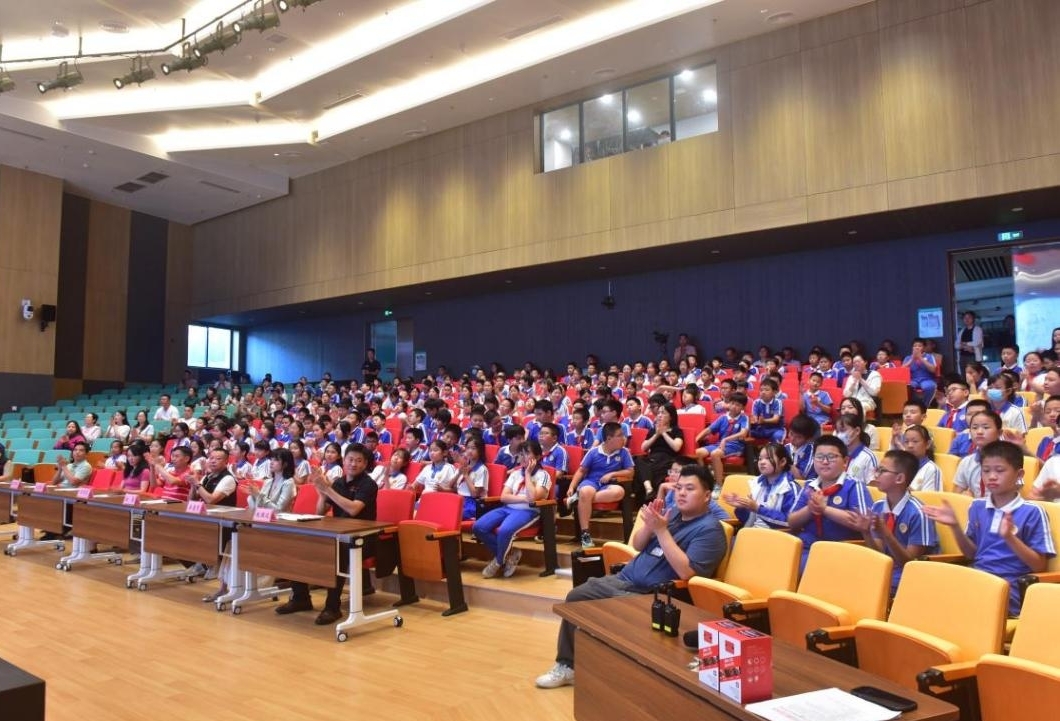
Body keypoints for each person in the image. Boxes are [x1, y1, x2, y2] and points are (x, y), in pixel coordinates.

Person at [535, 465, 727, 689]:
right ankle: (568, 666)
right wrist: (650, 526)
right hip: (625, 579)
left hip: (653, 594)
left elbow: (687, 572)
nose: (681, 493)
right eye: (678, 488)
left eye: (690, 488)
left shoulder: (710, 530)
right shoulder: (672, 515)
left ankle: (603, 669)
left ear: (707, 495)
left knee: (599, 606)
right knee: (577, 596)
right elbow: (637, 545)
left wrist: (661, 531)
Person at [924, 440, 1055, 616]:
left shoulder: (1033, 511)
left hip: (1009, 588)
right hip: (978, 578)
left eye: (999, 470)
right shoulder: (977, 506)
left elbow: (1039, 566)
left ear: (1019, 474)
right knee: (930, 595)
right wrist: (955, 526)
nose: (992, 476)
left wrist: (1010, 538)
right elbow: (972, 554)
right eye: (986, 470)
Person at [276, 443, 378, 625]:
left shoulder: (369, 484)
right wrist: (322, 493)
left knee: (337, 551)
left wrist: (327, 489)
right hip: (338, 534)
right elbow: (320, 512)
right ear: (344, 461)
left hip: (362, 538)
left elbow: (354, 509)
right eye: (350, 459)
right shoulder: (339, 483)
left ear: (365, 464)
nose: (353, 464)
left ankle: (332, 607)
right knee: (299, 544)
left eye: (358, 461)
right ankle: (300, 598)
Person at [852, 450, 938, 595]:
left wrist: (886, 534)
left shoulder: (919, 512)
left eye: (882, 471)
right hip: (883, 569)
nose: (876, 475)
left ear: (899, 478)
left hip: (909, 576)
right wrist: (866, 532)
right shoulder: (878, 506)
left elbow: (910, 563)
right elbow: (879, 553)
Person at [787, 435, 872, 572]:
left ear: (845, 462)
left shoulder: (854, 486)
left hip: (840, 549)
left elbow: (862, 523)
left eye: (831, 457)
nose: (825, 462)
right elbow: (791, 521)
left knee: (793, 567)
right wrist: (810, 509)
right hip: (808, 545)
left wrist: (824, 509)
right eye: (819, 457)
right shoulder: (810, 485)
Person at [473, 440, 552, 579]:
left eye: (527, 453)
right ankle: (510, 554)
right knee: (478, 527)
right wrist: (523, 498)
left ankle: (498, 562)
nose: (523, 457)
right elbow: (504, 497)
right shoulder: (515, 474)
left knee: (505, 530)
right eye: (521, 454)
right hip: (508, 508)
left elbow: (533, 498)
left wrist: (527, 474)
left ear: (538, 456)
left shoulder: (543, 475)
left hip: (528, 512)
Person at [565, 422, 633, 549]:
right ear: (609, 439)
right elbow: (581, 471)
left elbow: (630, 472)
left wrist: (612, 474)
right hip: (591, 482)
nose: (624, 438)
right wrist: (571, 487)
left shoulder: (624, 452)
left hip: (609, 485)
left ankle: (580, 499)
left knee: (619, 492)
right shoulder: (593, 452)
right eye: (620, 435)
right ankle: (585, 534)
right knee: (586, 492)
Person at [724, 443, 800, 530]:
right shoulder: (757, 484)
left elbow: (790, 522)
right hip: (753, 533)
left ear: (782, 462)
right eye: (760, 459)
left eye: (768, 458)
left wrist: (758, 509)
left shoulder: (790, 488)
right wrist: (743, 507)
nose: (762, 462)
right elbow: (748, 521)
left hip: (776, 536)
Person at [633, 401, 683, 505]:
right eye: (659, 412)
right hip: (652, 459)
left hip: (667, 459)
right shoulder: (653, 431)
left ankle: (650, 495)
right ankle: (649, 489)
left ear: (671, 416)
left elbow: (676, 447)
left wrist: (663, 433)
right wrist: (656, 434)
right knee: (638, 460)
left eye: (663, 413)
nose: (659, 415)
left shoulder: (676, 430)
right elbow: (643, 448)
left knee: (651, 470)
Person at [695, 392, 749, 486]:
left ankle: (719, 485)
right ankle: (706, 480)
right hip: (719, 445)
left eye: (738, 405)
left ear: (743, 407)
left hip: (735, 446)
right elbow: (708, 430)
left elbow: (743, 433)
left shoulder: (744, 418)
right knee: (697, 453)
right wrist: (695, 440)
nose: (734, 407)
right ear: (729, 404)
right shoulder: (723, 417)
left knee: (715, 454)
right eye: (732, 403)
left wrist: (725, 440)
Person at [953, 411, 1003, 497]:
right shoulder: (966, 462)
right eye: (975, 428)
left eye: (986, 427)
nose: (979, 432)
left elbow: (1013, 493)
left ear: (999, 433)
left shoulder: (1010, 460)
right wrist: (963, 497)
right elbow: (956, 495)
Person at [902, 425, 942, 492]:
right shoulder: (900, 466)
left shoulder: (932, 469)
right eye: (906, 442)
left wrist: (903, 489)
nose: (910, 445)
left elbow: (930, 497)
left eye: (915, 441)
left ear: (928, 444)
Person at [903, 338, 938, 408]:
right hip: (913, 380)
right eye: (915, 346)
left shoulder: (929, 357)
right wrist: (912, 359)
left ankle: (925, 406)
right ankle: (911, 406)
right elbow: (902, 370)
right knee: (906, 387)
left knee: (929, 387)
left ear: (924, 348)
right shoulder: (908, 358)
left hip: (927, 379)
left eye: (919, 346)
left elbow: (933, 370)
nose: (917, 347)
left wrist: (921, 358)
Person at [748, 378, 785, 443]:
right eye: (761, 390)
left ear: (774, 392)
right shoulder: (756, 402)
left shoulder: (777, 402)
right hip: (761, 429)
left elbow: (776, 419)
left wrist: (764, 421)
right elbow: (754, 418)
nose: (763, 392)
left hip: (775, 429)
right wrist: (753, 420)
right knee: (745, 432)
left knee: (778, 436)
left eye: (767, 390)